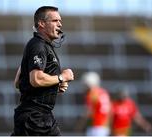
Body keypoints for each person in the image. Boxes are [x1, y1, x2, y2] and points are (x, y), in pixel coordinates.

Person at [12, 6, 74, 136]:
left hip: (41, 117)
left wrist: (53, 86)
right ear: (41, 23)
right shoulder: (38, 46)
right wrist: (61, 78)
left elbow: (19, 82)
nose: (60, 24)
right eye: (55, 21)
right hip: (34, 118)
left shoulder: (42, 46)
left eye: (60, 21)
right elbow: (36, 79)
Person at [77, 72, 111, 136]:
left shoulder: (92, 94)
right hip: (105, 126)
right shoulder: (104, 92)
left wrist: (80, 125)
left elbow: (88, 112)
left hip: (96, 127)